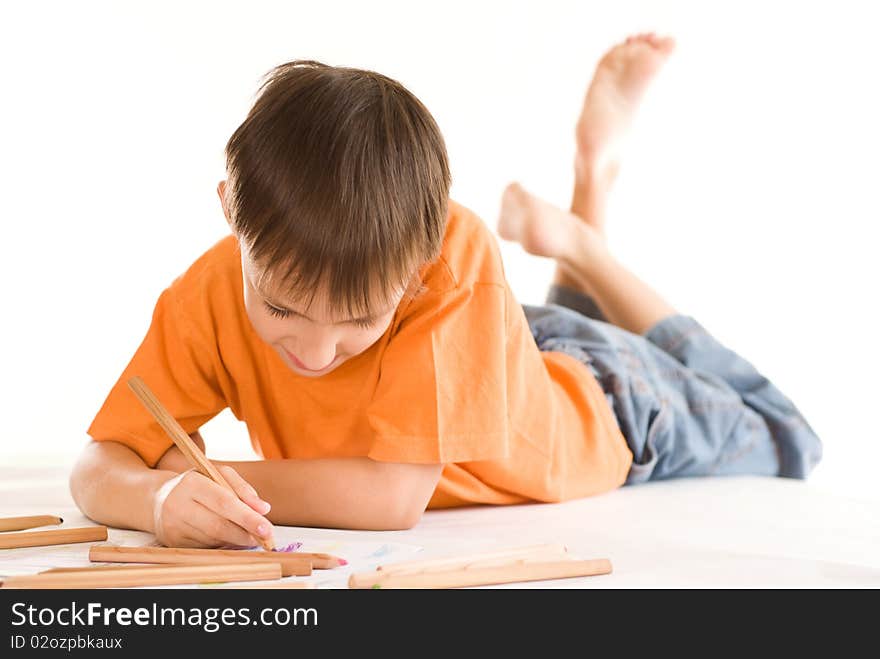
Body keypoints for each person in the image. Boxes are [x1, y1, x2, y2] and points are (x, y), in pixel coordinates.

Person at [70, 33, 821, 549]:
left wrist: (197, 473)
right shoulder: (202, 296)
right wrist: (159, 498)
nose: (316, 350)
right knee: (532, 340)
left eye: (361, 317)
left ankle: (586, 229)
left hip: (613, 405)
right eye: (279, 308)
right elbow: (98, 463)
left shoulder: (457, 254)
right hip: (504, 359)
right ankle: (583, 205)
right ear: (233, 212)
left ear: (421, 262)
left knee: (788, 434)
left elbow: (392, 502)